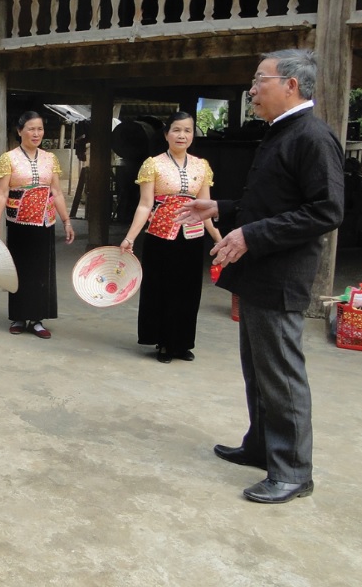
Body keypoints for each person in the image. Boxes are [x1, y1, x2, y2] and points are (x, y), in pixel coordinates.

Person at [177, 49, 344, 503]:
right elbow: (273, 199)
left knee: (282, 373)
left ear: (291, 85)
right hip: (257, 269)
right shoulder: (279, 132)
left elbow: (325, 210)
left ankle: (292, 471)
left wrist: (252, 233)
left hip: (280, 272)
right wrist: (224, 208)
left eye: (260, 80)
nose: (252, 89)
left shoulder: (312, 136)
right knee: (258, 368)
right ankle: (261, 447)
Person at [119, 112, 222, 363]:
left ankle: (182, 343)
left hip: (193, 235)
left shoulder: (201, 165)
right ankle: (163, 342)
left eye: (187, 130)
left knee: (188, 291)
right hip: (160, 235)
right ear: (166, 134)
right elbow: (145, 205)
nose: (182, 135)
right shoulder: (152, 164)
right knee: (161, 289)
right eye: (176, 130)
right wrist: (130, 238)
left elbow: (206, 208)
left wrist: (219, 238)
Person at [0, 111, 74, 338]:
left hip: (45, 222)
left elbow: (56, 192)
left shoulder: (50, 158)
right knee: (19, 268)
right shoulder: (9, 158)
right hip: (19, 222)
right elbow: (1, 193)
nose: (36, 133)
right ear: (19, 131)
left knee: (41, 271)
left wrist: (66, 220)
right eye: (31, 129)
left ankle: (37, 318)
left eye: (40, 129)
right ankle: (18, 316)